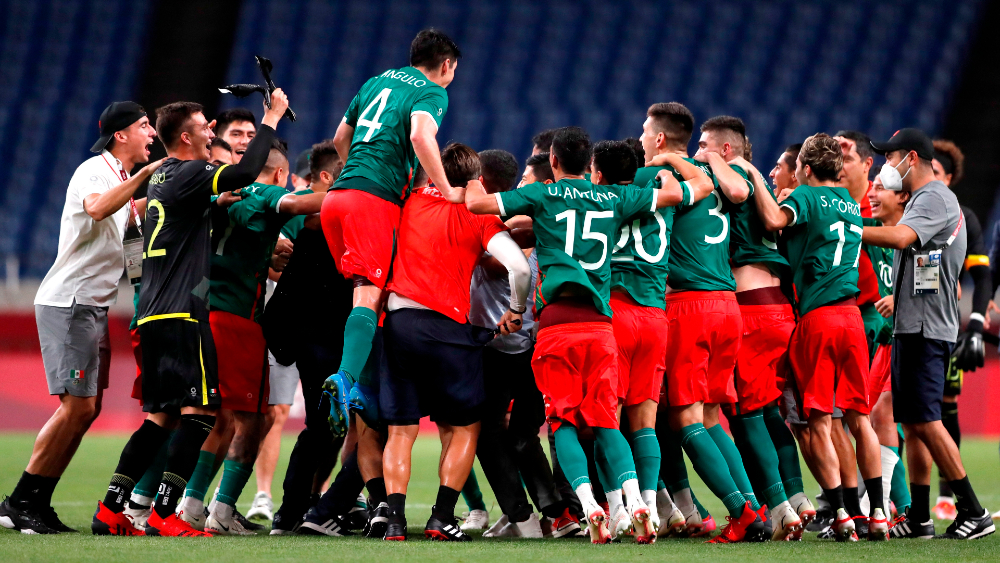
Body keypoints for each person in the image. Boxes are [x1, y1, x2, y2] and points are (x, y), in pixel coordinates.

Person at [466, 126, 711, 544]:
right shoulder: (617, 197)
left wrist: (470, 174)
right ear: (590, 166)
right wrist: (667, 167)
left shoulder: (542, 194)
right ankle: (638, 502)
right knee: (607, 423)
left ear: (554, 163)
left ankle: (590, 506)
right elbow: (687, 193)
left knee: (562, 422)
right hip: (603, 326)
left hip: (558, 324)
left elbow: (474, 203)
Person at [90, 91, 289, 538]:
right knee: (200, 412)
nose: (211, 131)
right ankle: (165, 513)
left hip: (154, 311)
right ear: (186, 136)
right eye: (205, 126)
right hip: (184, 311)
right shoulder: (195, 171)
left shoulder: (163, 179)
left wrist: (218, 204)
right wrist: (271, 117)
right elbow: (240, 171)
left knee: (160, 417)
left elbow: (198, 208)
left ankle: (111, 508)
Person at [0, 102, 160, 535]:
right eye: (144, 126)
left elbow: (131, 210)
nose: (151, 133)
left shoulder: (122, 178)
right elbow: (96, 208)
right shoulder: (94, 170)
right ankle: (20, 501)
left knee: (87, 410)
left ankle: (36, 501)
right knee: (77, 407)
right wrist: (147, 177)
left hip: (92, 305)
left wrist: (186, 187)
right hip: (69, 303)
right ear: (120, 135)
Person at [380, 144, 531, 541]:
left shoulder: (408, 202)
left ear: (435, 173)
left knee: (400, 430)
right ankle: (442, 517)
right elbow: (517, 266)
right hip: (448, 330)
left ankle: (394, 520)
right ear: (476, 179)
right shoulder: (478, 215)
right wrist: (514, 311)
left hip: (399, 322)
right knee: (465, 428)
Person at [321, 29, 465, 437]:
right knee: (370, 291)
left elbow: (339, 138)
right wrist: (446, 188)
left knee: (369, 292)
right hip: (373, 202)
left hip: (338, 197)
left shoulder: (376, 81)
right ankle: (346, 379)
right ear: (447, 65)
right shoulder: (433, 91)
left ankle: (362, 389)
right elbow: (421, 136)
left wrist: (357, 174)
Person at [754, 133, 887, 541]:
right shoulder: (849, 201)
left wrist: (756, 180)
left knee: (820, 420)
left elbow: (775, 220)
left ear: (807, 170)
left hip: (819, 318)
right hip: (852, 318)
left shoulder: (804, 197)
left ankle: (843, 513)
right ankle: (878, 511)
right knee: (860, 419)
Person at [862, 128, 994, 540]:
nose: (887, 166)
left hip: (926, 327)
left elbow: (902, 237)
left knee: (929, 423)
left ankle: (974, 511)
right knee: (916, 424)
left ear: (912, 158)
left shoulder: (935, 196)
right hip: (913, 324)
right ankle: (919, 518)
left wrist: (844, 229)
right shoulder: (924, 199)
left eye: (891, 158)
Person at [642, 107, 764, 543]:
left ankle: (740, 510)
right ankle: (754, 507)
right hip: (727, 305)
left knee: (686, 418)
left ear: (658, 140)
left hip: (687, 306)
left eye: (644, 131)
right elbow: (736, 193)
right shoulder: (720, 177)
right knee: (712, 416)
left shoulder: (665, 178)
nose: (641, 138)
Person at [595, 138, 713, 541]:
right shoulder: (664, 194)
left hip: (615, 314)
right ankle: (650, 503)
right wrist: (668, 161)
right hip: (655, 316)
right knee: (646, 423)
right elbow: (704, 185)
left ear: (599, 172)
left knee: (607, 421)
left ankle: (626, 506)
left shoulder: (600, 197)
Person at [266, 141, 355, 535]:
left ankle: (308, 503)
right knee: (325, 424)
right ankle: (294, 509)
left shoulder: (326, 215)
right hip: (319, 335)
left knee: (332, 425)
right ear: (327, 177)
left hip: (332, 333)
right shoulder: (315, 214)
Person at [930, 139, 990, 521]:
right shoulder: (904, 210)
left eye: (936, 173)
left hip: (943, 327)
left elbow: (981, 275)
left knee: (943, 408)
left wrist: (978, 324)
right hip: (896, 322)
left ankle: (946, 496)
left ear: (949, 179)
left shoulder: (963, 218)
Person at [866, 174, 911, 522]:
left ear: (903, 197)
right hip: (888, 339)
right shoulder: (878, 232)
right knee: (881, 417)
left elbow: (946, 283)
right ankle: (896, 508)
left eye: (881, 187)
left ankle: (898, 507)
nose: (873, 192)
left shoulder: (916, 231)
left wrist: (901, 299)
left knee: (902, 420)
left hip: (916, 336)